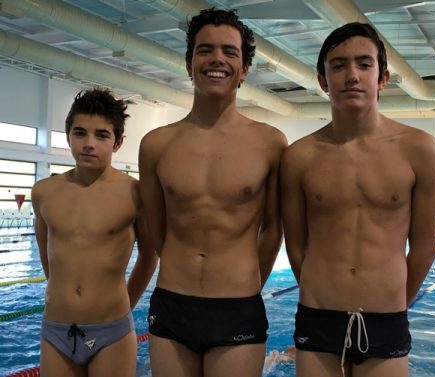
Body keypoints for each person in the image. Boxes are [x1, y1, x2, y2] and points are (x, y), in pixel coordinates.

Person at [280, 22, 435, 377]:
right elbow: (296, 248)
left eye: (364, 64)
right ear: (323, 81)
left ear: (382, 78)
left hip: (387, 319)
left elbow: (425, 249)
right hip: (318, 316)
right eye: (338, 65)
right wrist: (324, 293)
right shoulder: (299, 157)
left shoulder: (419, 149)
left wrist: (393, 304)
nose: (352, 75)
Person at [138, 8, 286, 377]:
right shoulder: (156, 144)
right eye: (204, 50)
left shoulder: (270, 143)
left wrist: (247, 284)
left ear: (244, 69)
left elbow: (273, 230)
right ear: (189, 64)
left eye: (229, 52)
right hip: (173, 301)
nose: (216, 59)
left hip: (238, 305)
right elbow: (157, 229)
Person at [31, 88, 157, 376]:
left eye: (101, 135)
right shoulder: (44, 193)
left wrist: (123, 308)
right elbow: (46, 253)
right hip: (56, 327)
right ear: (68, 136)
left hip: (111, 331)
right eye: (80, 133)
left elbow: (149, 257)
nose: (89, 143)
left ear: (118, 142)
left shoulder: (134, 194)